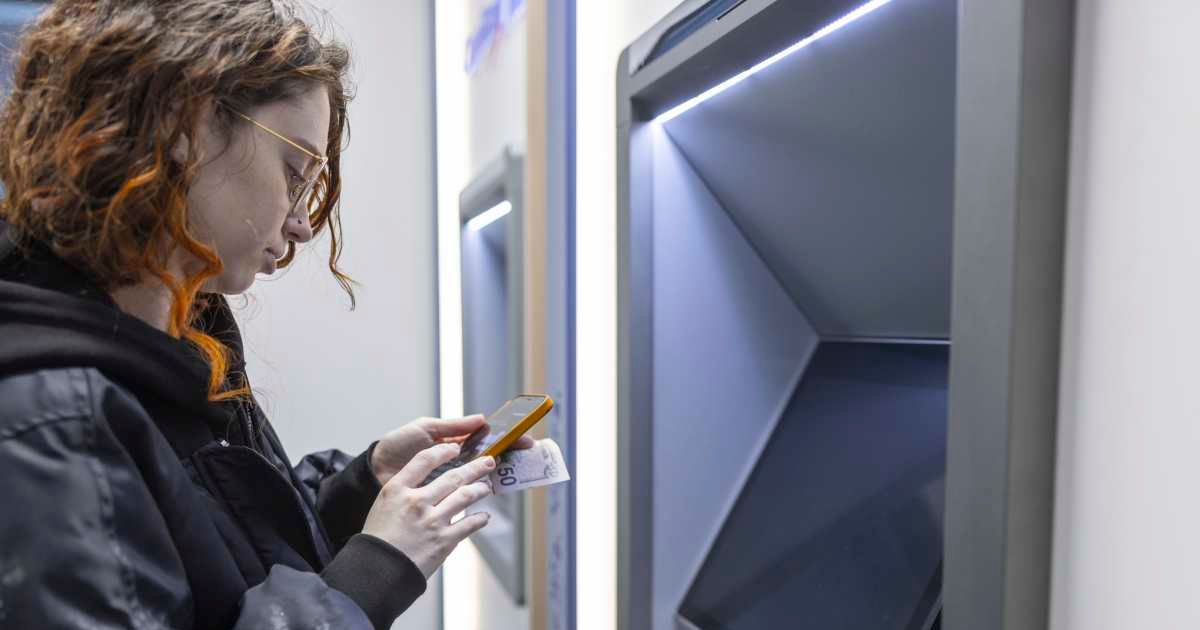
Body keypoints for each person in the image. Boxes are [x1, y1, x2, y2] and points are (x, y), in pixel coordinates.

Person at [0, 1, 526, 628]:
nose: (304, 224)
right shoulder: (51, 413)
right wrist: (376, 570)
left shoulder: (176, 336)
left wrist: (362, 488)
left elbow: (213, 552)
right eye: (296, 171)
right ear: (181, 124)